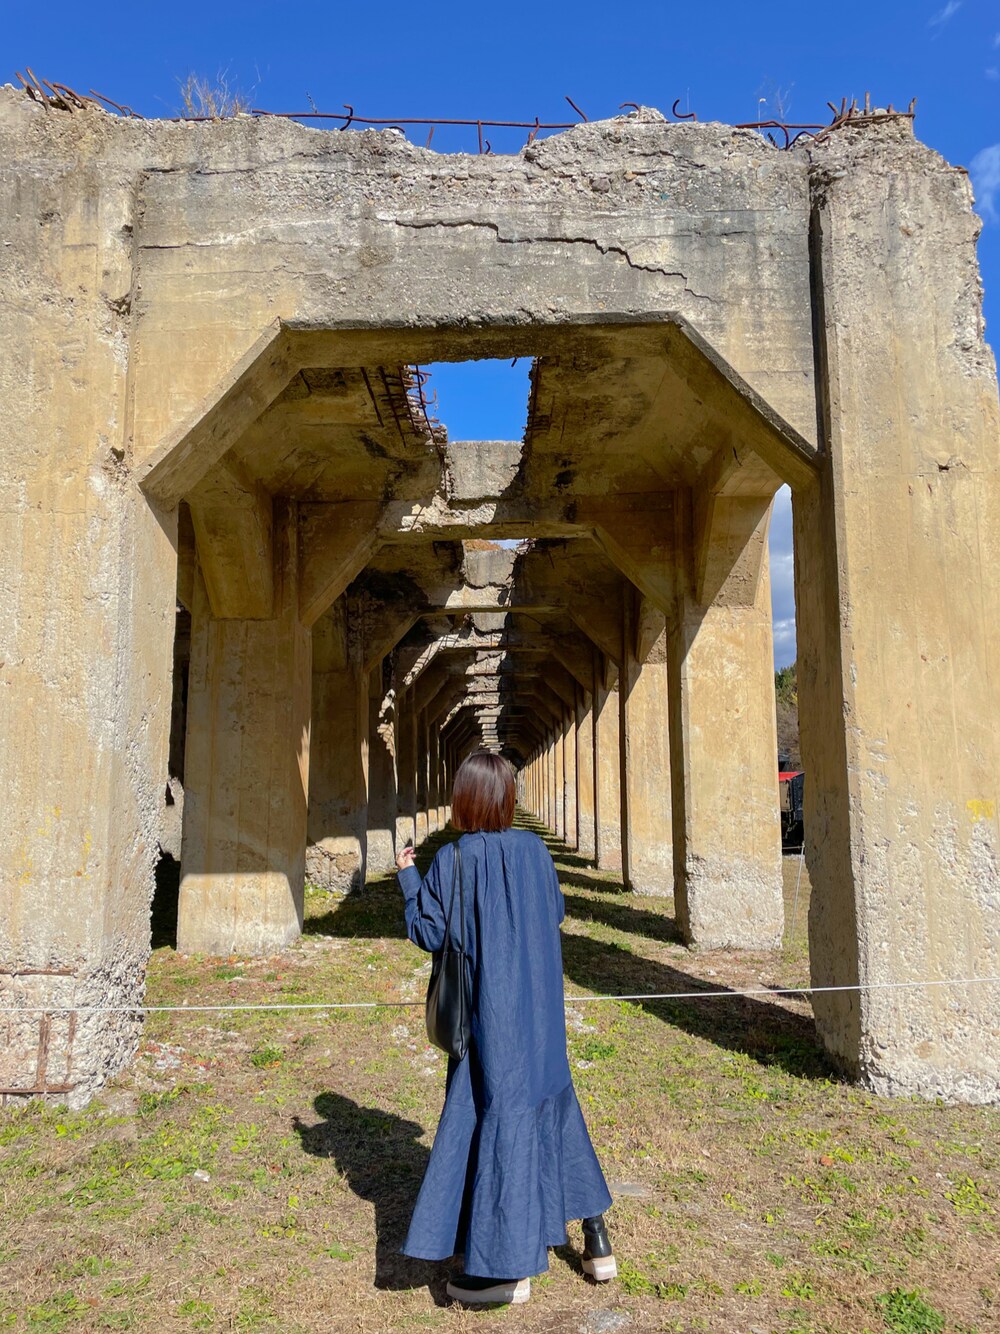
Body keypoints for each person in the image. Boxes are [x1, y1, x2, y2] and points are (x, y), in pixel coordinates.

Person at [395, 750, 616, 1307]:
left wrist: (407, 876)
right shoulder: (536, 851)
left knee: (502, 1115)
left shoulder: (453, 860)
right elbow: (555, 912)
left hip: (490, 1019)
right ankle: (595, 1237)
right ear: (508, 799)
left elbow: (427, 932)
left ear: (464, 800)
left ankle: (506, 1269)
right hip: (538, 1011)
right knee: (554, 1107)